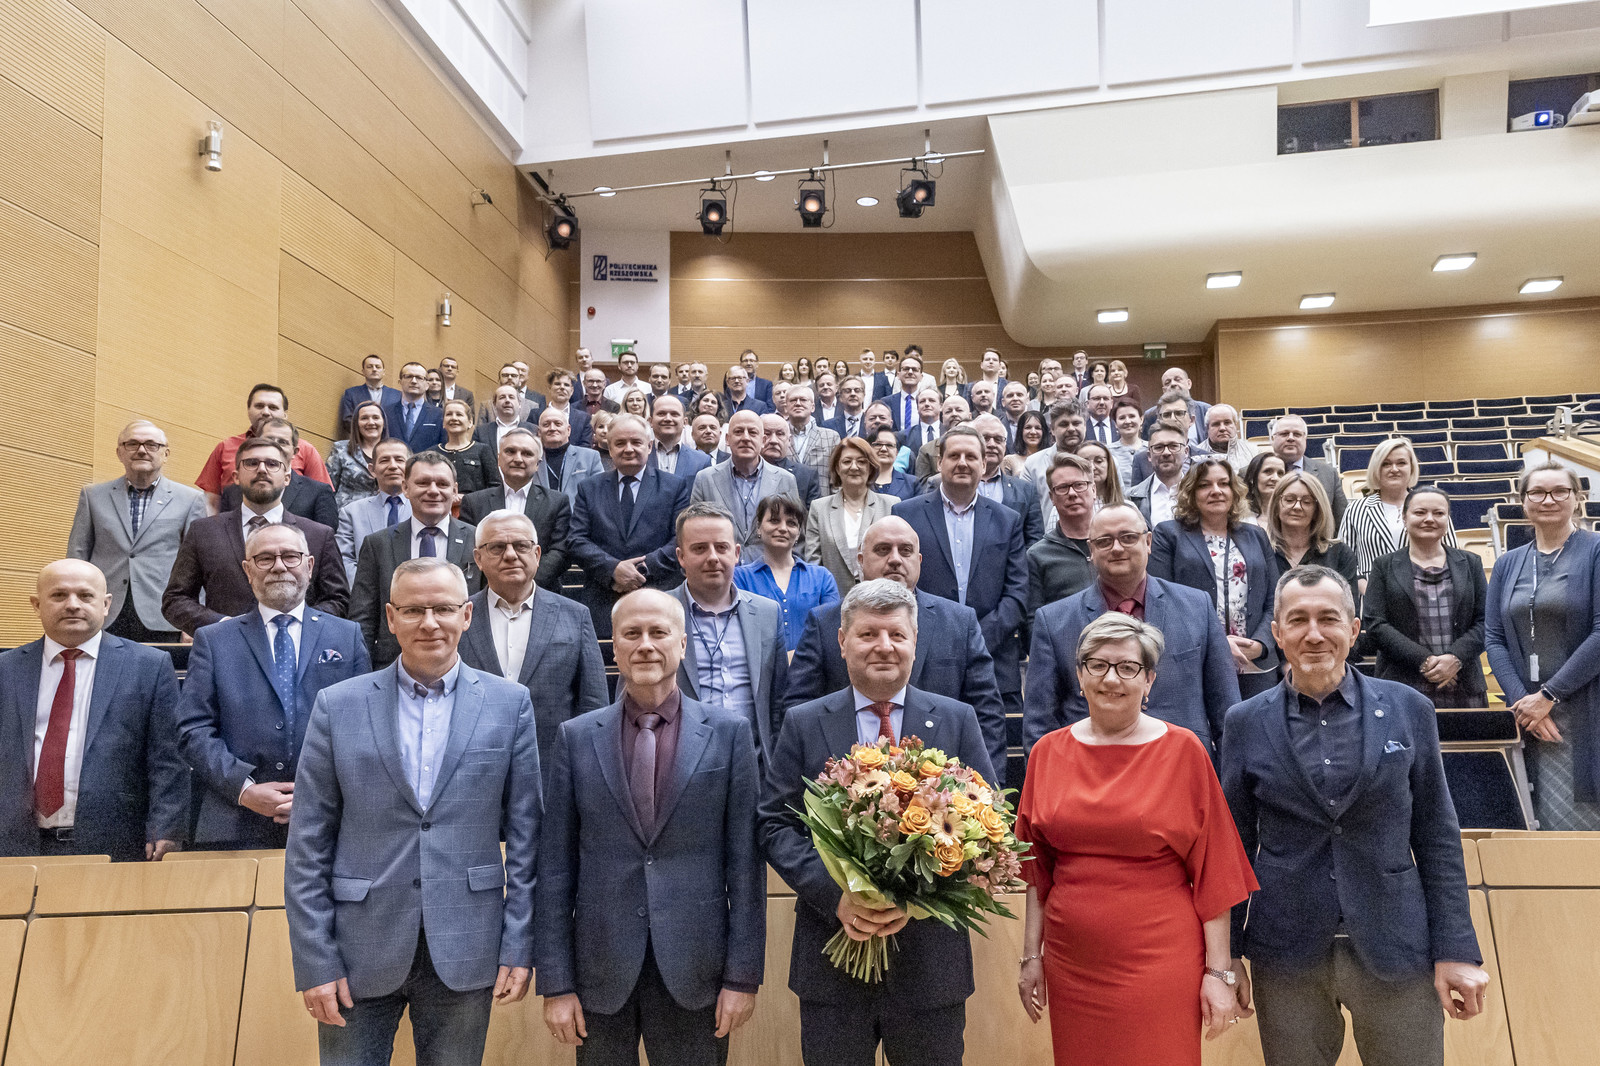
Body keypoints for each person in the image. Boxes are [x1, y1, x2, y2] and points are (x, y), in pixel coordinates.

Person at [1222, 566, 1487, 1066]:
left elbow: (1436, 834)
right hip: (1287, 952)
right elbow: (1231, 848)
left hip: (1397, 945)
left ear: (1354, 628)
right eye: (1297, 620)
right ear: (1276, 632)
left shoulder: (1409, 708)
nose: (1314, 634)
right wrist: (1226, 954)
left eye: (1328, 618)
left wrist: (1456, 947)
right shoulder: (1244, 722)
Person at [286, 558, 540, 1066]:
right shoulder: (338, 705)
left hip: (467, 943)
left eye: (443, 608)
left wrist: (519, 941)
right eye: (413, 610)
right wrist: (316, 961)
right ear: (390, 617)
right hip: (357, 949)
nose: (429, 623)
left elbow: (527, 837)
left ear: (467, 615)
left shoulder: (509, 704)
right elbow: (308, 844)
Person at [760, 578, 997, 1066]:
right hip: (832, 962)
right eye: (868, 634)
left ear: (915, 641)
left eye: (896, 634)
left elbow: (988, 821)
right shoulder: (804, 722)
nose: (884, 646)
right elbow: (774, 824)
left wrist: (917, 898)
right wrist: (838, 896)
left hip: (931, 969)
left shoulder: (957, 719)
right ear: (842, 641)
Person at [536, 586, 764, 1065]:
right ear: (614, 647)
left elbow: (745, 867)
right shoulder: (575, 738)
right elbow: (556, 868)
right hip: (599, 972)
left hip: (696, 970)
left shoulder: (729, 734)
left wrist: (742, 978)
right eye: (631, 634)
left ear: (682, 644)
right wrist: (556, 984)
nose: (645, 645)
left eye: (658, 633)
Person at [1017, 612, 1257, 1065]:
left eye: (1128, 667)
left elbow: (1215, 871)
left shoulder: (1184, 750)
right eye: (1097, 664)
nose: (1111, 678)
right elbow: (1036, 872)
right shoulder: (1047, 752)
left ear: (1149, 680)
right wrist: (1031, 956)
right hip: (1071, 964)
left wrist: (1219, 972)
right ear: (1079, 676)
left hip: (1161, 961)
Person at [176, 523, 370, 850]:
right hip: (234, 823)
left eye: (290, 556)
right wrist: (244, 789)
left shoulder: (346, 637)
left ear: (309, 565)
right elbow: (192, 729)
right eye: (265, 558)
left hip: (329, 823)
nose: (279, 566)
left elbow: (363, 728)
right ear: (247, 570)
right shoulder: (213, 640)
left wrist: (320, 795)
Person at [0, 559, 188, 861]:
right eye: (59, 595)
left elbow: (168, 759)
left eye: (85, 595)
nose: (73, 605)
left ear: (106, 604)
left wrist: (166, 827)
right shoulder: (6, 670)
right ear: (36, 605)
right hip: (15, 846)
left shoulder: (148, 667)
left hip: (115, 843)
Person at [1025, 504, 1240, 757]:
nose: (1117, 548)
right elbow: (1039, 725)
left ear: (1148, 542)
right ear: (1091, 550)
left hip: (1182, 764)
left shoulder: (1197, 607)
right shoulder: (1054, 621)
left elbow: (1226, 711)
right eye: (1104, 541)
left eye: (1128, 537)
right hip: (1090, 769)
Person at [894, 428, 1027, 784]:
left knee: (985, 757)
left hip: (993, 658)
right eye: (954, 456)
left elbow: (1017, 594)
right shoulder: (906, 513)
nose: (963, 463)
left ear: (985, 464)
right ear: (940, 462)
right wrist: (944, 635)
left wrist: (972, 638)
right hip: (925, 654)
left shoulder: (1007, 519)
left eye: (971, 456)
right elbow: (902, 585)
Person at [787, 515, 1003, 730]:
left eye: (906, 550)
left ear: (919, 561)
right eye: (883, 550)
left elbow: (986, 712)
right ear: (861, 560)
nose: (895, 559)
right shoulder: (824, 622)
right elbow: (798, 708)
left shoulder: (960, 622)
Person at [1486, 462, 1600, 831]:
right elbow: (1495, 638)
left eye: (1559, 491)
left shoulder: (1596, 550)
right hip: (1531, 715)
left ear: (1577, 498)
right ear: (1524, 501)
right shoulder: (1507, 563)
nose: (1548, 500)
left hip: (1586, 706)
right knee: (1543, 825)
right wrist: (1524, 702)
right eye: (1537, 492)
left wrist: (1549, 695)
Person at [458, 510, 607, 763]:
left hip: (551, 765)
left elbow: (594, 704)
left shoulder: (575, 615)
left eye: (521, 546)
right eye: (497, 547)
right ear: (478, 559)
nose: (510, 555)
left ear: (537, 555)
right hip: (473, 764)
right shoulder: (458, 616)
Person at [163, 437, 348, 636]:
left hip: (294, 648)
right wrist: (221, 625)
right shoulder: (204, 531)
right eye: (251, 463)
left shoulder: (319, 535)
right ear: (235, 476)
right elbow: (175, 599)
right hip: (225, 647)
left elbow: (338, 600)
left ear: (287, 477)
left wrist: (295, 624)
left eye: (272, 464)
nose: (261, 469)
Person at [67, 419, 208, 642]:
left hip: (165, 616)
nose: (142, 450)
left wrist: (194, 620)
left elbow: (198, 564)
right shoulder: (92, 496)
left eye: (152, 445)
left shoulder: (191, 500)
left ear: (165, 454)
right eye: (132, 444)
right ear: (119, 452)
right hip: (104, 614)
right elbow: (77, 558)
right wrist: (75, 607)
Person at [1151, 458, 1280, 699]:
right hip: (1198, 661)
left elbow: (1276, 597)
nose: (1216, 491)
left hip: (1256, 664)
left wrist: (1262, 644)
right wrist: (1217, 645)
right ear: (1191, 492)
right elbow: (1162, 601)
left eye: (1224, 483)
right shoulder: (1168, 534)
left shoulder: (1256, 535)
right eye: (1205, 485)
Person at [670, 503, 789, 762]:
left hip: (754, 763)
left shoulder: (768, 613)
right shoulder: (659, 612)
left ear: (736, 553)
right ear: (681, 557)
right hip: (681, 763)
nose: (713, 557)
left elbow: (779, 701)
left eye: (721, 547)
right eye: (700, 548)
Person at [348, 452, 479, 667]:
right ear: (406, 488)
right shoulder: (377, 544)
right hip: (392, 667)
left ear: (455, 490)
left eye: (442, 484)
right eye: (423, 483)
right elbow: (363, 618)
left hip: (463, 667)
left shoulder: (477, 541)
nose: (433, 490)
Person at [1362, 487, 1488, 708]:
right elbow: (1375, 624)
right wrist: (1425, 661)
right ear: (1404, 517)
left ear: (1447, 519)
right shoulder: (1384, 566)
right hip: (1401, 685)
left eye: (1438, 513)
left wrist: (1455, 659)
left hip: (1463, 685)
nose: (1429, 519)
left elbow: (1486, 621)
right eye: (1420, 512)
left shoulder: (1471, 563)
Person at [569, 414, 693, 637]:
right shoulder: (589, 488)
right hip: (603, 598)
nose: (628, 449)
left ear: (649, 446)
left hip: (659, 594)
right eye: (620, 443)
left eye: (636, 442)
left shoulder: (674, 487)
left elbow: (681, 539)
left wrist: (641, 569)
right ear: (609, 448)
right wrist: (613, 570)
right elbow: (576, 540)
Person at [458, 428, 572, 590]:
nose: (518, 459)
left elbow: (560, 551)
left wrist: (525, 582)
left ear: (538, 463)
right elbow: (470, 551)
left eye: (527, 453)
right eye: (510, 451)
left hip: (540, 591)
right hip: (488, 591)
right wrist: (497, 582)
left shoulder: (557, 502)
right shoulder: (474, 502)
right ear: (499, 459)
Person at [1339, 438, 1457, 587]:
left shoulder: (1432, 506)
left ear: (1411, 468)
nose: (1394, 469)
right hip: (1370, 593)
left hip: (1425, 592)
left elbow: (1453, 556)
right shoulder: (1356, 510)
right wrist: (1368, 590)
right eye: (1386, 464)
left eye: (1401, 463)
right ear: (1376, 469)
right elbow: (1344, 561)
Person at [197, 383, 332, 511]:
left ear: (285, 415)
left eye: (273, 407)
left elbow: (322, 496)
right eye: (259, 406)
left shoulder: (306, 450)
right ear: (248, 410)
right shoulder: (225, 446)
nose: (266, 412)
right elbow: (211, 502)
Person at [689, 410, 800, 562]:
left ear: (763, 440)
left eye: (752, 432)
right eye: (738, 432)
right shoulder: (705, 479)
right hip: (721, 567)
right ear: (727, 439)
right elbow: (695, 530)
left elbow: (794, 534)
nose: (745, 438)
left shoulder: (786, 480)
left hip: (770, 568)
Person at [736, 496, 840, 652]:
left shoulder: (821, 578)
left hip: (812, 666)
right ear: (758, 527)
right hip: (759, 666)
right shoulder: (740, 578)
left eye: (791, 523)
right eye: (774, 521)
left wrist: (799, 659)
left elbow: (831, 631)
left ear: (798, 533)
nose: (783, 528)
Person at [804, 437, 895, 593]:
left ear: (871, 467)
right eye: (847, 462)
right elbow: (814, 564)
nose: (854, 467)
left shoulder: (891, 505)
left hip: (880, 597)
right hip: (833, 598)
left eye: (861, 462)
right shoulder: (819, 508)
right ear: (837, 468)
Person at [219, 418, 340, 530]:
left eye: (283, 442)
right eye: (268, 440)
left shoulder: (318, 493)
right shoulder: (232, 492)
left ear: (295, 451)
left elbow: (323, 539)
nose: (275, 446)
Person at [1265, 472, 1360, 595]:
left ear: (1317, 510)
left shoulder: (1340, 554)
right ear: (1276, 506)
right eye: (1289, 500)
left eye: (1307, 502)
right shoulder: (1262, 552)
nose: (1297, 507)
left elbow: (1349, 604)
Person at [1028, 452, 1096, 614]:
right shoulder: (1038, 556)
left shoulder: (1115, 544)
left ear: (1094, 490)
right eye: (1063, 488)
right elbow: (1033, 617)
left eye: (1079, 485)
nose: (1072, 493)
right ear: (1052, 497)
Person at [336, 439, 412, 584]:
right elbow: (344, 559)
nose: (393, 466)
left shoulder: (424, 509)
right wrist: (365, 591)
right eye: (384, 460)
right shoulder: (351, 513)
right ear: (372, 469)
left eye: (399, 460)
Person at [1270, 414, 1347, 528]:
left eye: (1297, 434)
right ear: (1273, 439)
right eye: (1284, 434)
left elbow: (1342, 522)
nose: (1291, 438)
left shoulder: (1328, 473)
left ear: (1305, 439)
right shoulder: (1251, 472)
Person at [534, 406, 605, 502]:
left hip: (578, 511)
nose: (552, 428)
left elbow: (600, 493)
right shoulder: (532, 459)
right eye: (546, 425)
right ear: (539, 432)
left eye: (558, 424)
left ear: (568, 430)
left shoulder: (590, 457)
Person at [327, 400, 388, 512]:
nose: (371, 422)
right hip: (345, 516)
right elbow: (327, 488)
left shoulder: (394, 453)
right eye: (364, 418)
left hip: (381, 515)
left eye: (375, 417)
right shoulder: (340, 449)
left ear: (383, 422)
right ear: (356, 424)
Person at [1124, 423, 1188, 527]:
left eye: (1173, 446)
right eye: (1158, 447)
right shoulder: (1132, 498)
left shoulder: (1200, 492)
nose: (1166, 453)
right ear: (1149, 455)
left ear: (1186, 452)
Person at [1130, 392, 1200, 483]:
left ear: (1192, 420)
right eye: (1167, 415)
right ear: (1158, 420)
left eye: (1179, 413)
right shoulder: (1141, 460)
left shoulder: (1204, 458)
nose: (1173, 419)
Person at [437, 397, 500, 495]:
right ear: (443, 423)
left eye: (459, 414)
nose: (454, 418)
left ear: (470, 422)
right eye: (449, 414)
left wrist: (468, 499)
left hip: (475, 504)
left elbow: (495, 486)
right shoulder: (434, 453)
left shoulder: (483, 450)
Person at [382, 362, 447, 454]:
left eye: (419, 378)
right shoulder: (385, 412)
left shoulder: (439, 414)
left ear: (427, 385)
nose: (414, 381)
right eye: (408, 376)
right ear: (400, 382)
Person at [761, 414, 822, 509]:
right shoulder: (745, 473)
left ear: (789, 440)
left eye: (780, 434)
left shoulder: (806, 476)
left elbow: (812, 516)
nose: (773, 440)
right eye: (767, 433)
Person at [645, 394, 712, 481]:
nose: (668, 419)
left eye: (674, 414)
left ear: (684, 422)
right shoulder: (637, 456)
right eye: (661, 413)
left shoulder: (701, 461)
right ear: (650, 421)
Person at [338, 354, 399, 437]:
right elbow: (347, 420)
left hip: (389, 442)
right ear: (363, 371)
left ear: (383, 372)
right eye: (370, 367)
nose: (374, 369)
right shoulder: (352, 393)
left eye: (378, 367)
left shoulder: (397, 395)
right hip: (361, 441)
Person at [787, 386, 841, 474]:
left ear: (813, 407)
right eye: (793, 400)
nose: (798, 403)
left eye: (803, 400)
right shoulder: (778, 437)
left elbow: (837, 473)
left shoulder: (831, 437)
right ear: (786, 407)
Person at [473, 384, 538, 454]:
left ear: (519, 404)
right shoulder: (480, 432)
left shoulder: (534, 430)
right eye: (502, 397)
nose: (507, 400)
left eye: (511, 397)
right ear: (494, 404)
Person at [863, 426, 918, 500]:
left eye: (889, 445)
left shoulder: (912, 483)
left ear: (897, 452)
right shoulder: (859, 480)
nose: (883, 449)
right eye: (878, 444)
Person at [544, 369, 593, 448]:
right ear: (549, 388)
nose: (562, 387)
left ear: (572, 391)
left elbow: (585, 447)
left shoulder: (584, 418)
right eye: (557, 384)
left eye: (566, 385)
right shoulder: (536, 415)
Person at [1201, 404, 1257, 473]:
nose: (1222, 428)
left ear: (1235, 425)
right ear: (1207, 428)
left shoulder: (1253, 452)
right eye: (1216, 424)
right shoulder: (1196, 456)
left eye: (1227, 423)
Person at [1076, 439, 1124, 511]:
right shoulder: (1067, 508)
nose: (1092, 467)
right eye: (1085, 463)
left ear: (1109, 464)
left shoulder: (1127, 507)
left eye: (1099, 461)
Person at [1107, 398, 1146, 487]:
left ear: (1141, 419)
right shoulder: (1108, 452)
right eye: (1122, 418)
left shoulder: (1153, 449)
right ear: (1115, 424)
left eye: (1132, 416)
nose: (1127, 421)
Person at [1244, 452, 1287, 528]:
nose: (1275, 478)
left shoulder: (1289, 516)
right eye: (1268, 471)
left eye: (1280, 473)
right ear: (1252, 478)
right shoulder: (1239, 517)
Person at [824, 375, 868, 440]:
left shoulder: (872, 424)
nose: (853, 394)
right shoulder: (827, 426)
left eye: (857, 390)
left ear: (864, 395)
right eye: (847, 391)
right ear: (840, 397)